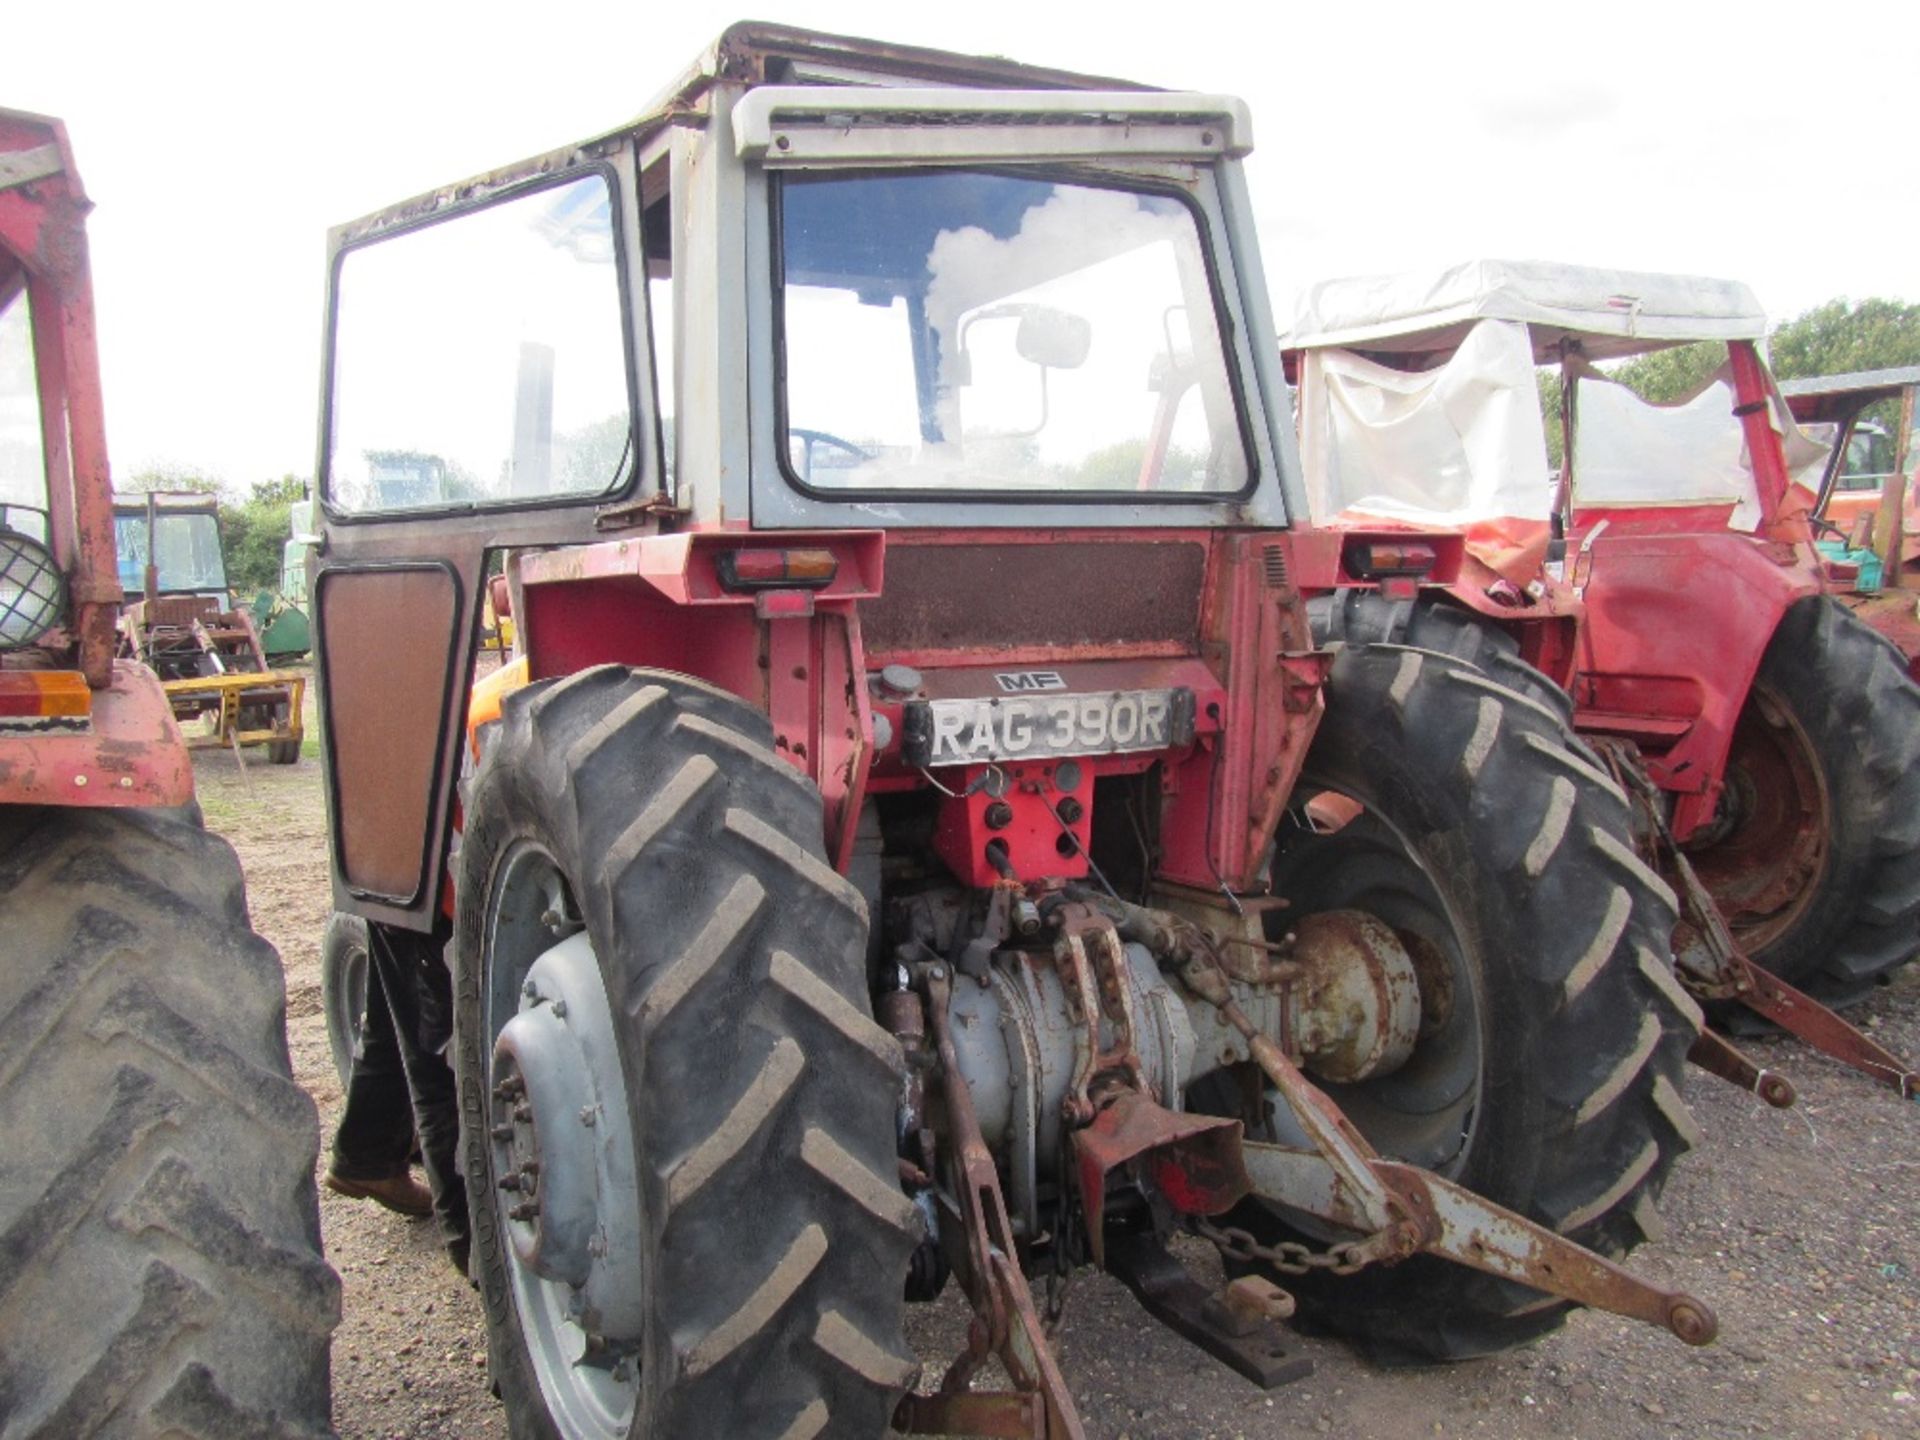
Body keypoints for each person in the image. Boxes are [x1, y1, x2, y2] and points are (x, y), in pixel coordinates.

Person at [325, 920, 470, 1276]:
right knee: (434, 1044)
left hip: (408, 885)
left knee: (399, 990)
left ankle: (367, 1153)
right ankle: (470, 1240)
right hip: (429, 887)